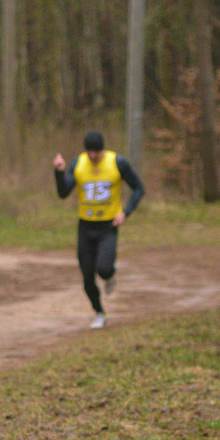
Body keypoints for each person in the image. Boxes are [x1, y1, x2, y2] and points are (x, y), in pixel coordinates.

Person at [53, 130, 144, 329]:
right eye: (89, 152)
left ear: (102, 150)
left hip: (108, 226)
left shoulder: (117, 163)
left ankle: (110, 276)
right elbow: (63, 192)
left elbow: (139, 188)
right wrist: (59, 172)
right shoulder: (78, 163)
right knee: (86, 277)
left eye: (96, 152)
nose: (93, 156)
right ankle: (99, 312)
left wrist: (125, 212)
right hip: (85, 227)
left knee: (103, 269)